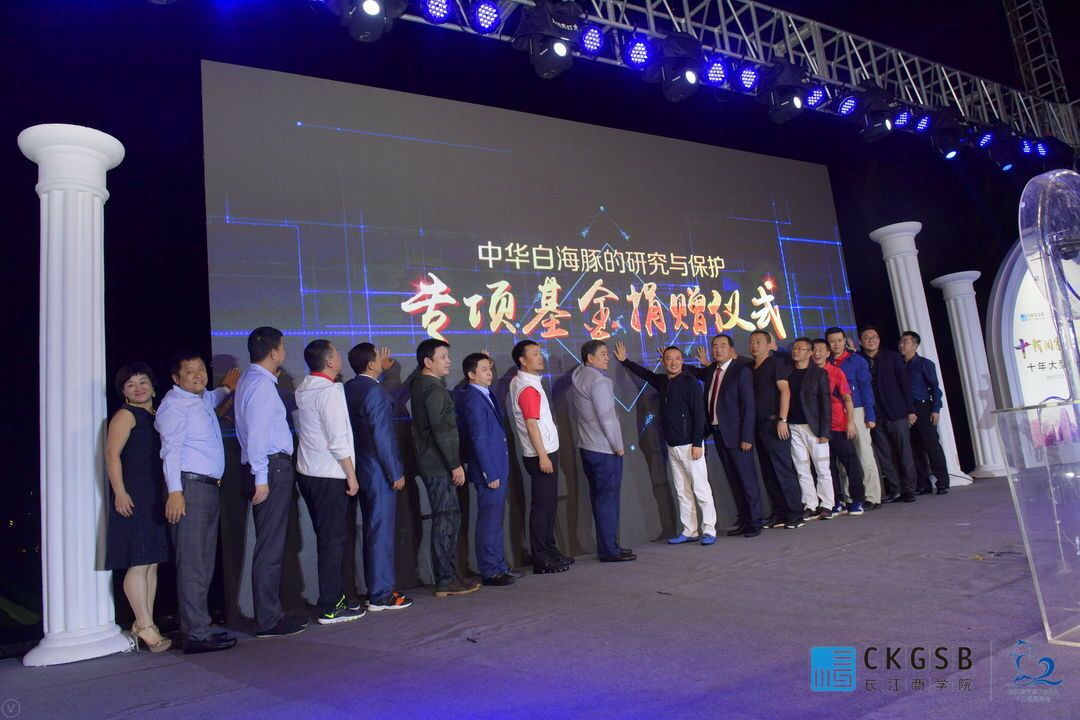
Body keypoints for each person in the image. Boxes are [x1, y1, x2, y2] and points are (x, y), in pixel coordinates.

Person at [154, 351, 239, 653]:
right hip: (189, 488)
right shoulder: (173, 405)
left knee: (202, 561)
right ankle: (196, 633)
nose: (198, 375)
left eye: (201, 369)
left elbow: (214, 396)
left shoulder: (200, 399)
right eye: (190, 371)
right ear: (176, 378)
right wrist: (175, 492)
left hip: (207, 488)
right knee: (193, 562)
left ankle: (195, 627)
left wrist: (226, 388)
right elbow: (171, 450)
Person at [234, 326, 305, 638]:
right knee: (270, 545)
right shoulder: (260, 385)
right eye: (283, 347)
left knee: (271, 543)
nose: (285, 353)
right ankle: (268, 619)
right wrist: (261, 477)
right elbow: (258, 436)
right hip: (270, 469)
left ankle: (271, 614)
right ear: (274, 352)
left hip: (266, 469)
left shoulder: (250, 381)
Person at [292, 340, 365, 624]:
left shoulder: (305, 387)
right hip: (330, 474)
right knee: (333, 541)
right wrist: (351, 474)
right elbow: (337, 438)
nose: (339, 357)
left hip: (309, 473)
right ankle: (330, 606)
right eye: (336, 354)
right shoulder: (329, 392)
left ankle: (335, 597)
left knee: (329, 539)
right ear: (330, 361)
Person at [615, 342, 715, 544]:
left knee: (701, 489)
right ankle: (690, 531)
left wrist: (697, 442)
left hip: (691, 445)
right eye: (669, 359)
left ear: (682, 361)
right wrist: (625, 361)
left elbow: (699, 414)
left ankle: (709, 531)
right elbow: (644, 374)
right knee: (682, 491)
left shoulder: (690, 383)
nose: (673, 362)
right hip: (672, 446)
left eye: (677, 359)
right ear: (663, 361)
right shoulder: (663, 382)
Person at [105, 363, 172, 652]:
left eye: (143, 382)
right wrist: (120, 492)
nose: (138, 388)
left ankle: (147, 622)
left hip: (155, 495)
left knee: (151, 561)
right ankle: (144, 624)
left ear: (153, 386)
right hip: (135, 496)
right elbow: (112, 454)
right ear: (124, 392)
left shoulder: (157, 416)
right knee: (139, 561)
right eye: (131, 384)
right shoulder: (126, 415)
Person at [344, 343, 413, 611]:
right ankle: (381, 594)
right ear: (372, 363)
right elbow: (382, 436)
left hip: (360, 468)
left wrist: (382, 375)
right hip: (378, 470)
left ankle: (377, 589)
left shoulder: (350, 387)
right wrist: (395, 471)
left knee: (373, 530)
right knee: (380, 532)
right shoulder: (373, 392)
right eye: (377, 359)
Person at [410, 339, 480, 597]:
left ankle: (448, 576)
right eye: (442, 357)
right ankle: (446, 579)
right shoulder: (433, 389)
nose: (449, 361)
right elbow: (443, 430)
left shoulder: (419, 383)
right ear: (428, 362)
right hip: (439, 465)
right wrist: (455, 464)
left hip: (433, 463)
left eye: (448, 356)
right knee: (447, 520)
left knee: (446, 518)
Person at [454, 353, 525, 585]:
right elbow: (478, 439)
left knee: (496, 520)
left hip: (497, 467)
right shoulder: (472, 398)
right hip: (489, 471)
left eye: (490, 368)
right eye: (483, 369)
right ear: (471, 374)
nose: (489, 373)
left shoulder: (484, 393)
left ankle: (499, 566)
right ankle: (490, 570)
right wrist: (489, 472)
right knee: (489, 521)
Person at [509, 339, 572, 572]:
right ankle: (541, 558)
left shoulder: (528, 382)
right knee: (542, 508)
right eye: (535, 354)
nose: (540, 357)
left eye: (540, 352)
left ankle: (550, 550)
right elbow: (531, 425)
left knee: (549, 505)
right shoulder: (527, 387)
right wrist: (542, 456)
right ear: (522, 360)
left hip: (545, 451)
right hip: (540, 454)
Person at [570, 341, 635, 562]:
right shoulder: (600, 381)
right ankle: (610, 550)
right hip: (605, 449)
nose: (608, 358)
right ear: (590, 358)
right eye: (603, 354)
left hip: (587, 448)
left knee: (600, 500)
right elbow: (608, 418)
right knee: (608, 501)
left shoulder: (579, 375)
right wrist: (618, 446)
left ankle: (609, 546)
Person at [692, 335, 761, 537]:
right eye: (715, 346)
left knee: (747, 480)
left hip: (738, 436)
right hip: (719, 434)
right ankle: (744, 520)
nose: (718, 349)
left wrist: (747, 437)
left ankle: (755, 522)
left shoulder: (741, 371)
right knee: (734, 480)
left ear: (731, 349)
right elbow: (692, 372)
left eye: (722, 346)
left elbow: (748, 406)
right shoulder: (711, 370)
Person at [746, 331, 805, 530]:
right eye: (752, 342)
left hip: (775, 424)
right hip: (757, 426)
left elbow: (785, 392)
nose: (755, 345)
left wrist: (782, 419)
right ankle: (779, 512)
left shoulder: (775, 364)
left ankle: (796, 513)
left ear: (769, 344)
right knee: (768, 472)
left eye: (759, 342)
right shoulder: (749, 368)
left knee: (783, 470)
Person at [858, 326, 918, 503]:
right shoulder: (858, 360)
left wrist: (910, 410)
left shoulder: (893, 357)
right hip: (874, 415)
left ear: (879, 339)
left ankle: (909, 489)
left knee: (904, 452)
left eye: (874, 337)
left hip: (896, 412)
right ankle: (895, 490)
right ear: (861, 341)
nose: (871, 340)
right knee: (885, 456)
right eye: (867, 337)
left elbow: (904, 384)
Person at [825, 327, 883, 509]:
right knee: (844, 458)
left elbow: (866, 388)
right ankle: (851, 497)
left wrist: (870, 415)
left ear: (845, 341)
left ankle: (872, 497)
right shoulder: (826, 363)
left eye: (839, 340)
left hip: (857, 410)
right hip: (835, 413)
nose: (836, 344)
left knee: (864, 454)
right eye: (832, 341)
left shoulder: (856, 361)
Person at [812, 339, 865, 516]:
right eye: (814, 350)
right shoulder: (809, 374)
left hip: (838, 426)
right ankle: (836, 501)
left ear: (828, 353)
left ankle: (857, 500)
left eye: (821, 350)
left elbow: (847, 399)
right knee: (827, 468)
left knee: (851, 465)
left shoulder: (836, 372)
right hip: (819, 429)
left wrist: (850, 422)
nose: (817, 354)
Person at [786, 338, 835, 520]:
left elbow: (825, 403)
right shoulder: (788, 372)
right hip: (793, 426)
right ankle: (810, 504)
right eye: (794, 348)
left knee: (822, 468)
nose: (796, 351)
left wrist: (825, 431)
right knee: (801, 468)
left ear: (810, 353)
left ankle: (827, 504)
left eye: (801, 348)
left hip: (814, 427)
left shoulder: (819, 373)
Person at [899, 331, 950, 495]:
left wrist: (935, 409)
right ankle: (923, 484)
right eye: (901, 342)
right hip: (904, 410)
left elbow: (935, 388)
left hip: (922, 407)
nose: (901, 345)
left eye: (905, 342)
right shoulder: (898, 364)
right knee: (913, 448)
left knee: (931, 445)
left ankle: (942, 482)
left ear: (915, 345)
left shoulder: (925, 364)